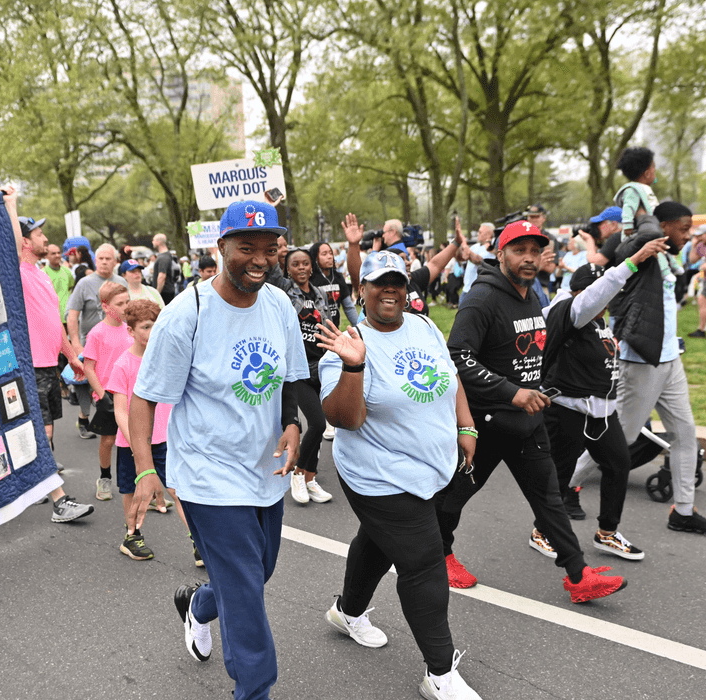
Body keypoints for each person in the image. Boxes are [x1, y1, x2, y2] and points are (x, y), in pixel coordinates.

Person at [127, 200, 306, 700]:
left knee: (258, 572)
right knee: (245, 594)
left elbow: (290, 377)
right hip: (208, 475)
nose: (259, 259)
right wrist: (144, 470)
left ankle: (200, 605)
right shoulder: (187, 314)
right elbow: (143, 398)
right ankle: (254, 689)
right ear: (221, 246)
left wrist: (292, 422)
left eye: (269, 249)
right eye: (246, 247)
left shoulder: (278, 305)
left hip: (264, 469)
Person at [316, 250, 483, 700]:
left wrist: (466, 425)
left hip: (430, 469)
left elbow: (450, 377)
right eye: (379, 282)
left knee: (378, 541)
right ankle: (439, 674)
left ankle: (347, 612)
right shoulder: (348, 343)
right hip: (379, 476)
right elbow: (345, 418)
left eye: (398, 282)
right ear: (362, 290)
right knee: (423, 562)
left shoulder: (424, 326)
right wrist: (354, 365)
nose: (390, 289)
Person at [441, 220, 627, 601]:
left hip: (528, 422)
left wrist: (539, 390)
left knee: (549, 499)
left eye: (534, 251)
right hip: (487, 423)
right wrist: (512, 393)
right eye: (518, 250)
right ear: (501, 254)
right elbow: (457, 357)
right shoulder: (481, 298)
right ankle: (439, 555)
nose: (528, 258)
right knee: (454, 495)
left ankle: (578, 576)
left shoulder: (530, 294)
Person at [541, 228, 671, 563]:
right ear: (580, 293)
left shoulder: (599, 322)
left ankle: (607, 533)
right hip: (567, 409)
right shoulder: (566, 313)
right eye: (600, 296)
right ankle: (542, 531)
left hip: (601, 412)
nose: (606, 302)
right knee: (560, 474)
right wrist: (633, 260)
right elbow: (595, 295)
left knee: (618, 464)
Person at [609, 201, 706, 536]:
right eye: (684, 228)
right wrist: (649, 230)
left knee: (685, 435)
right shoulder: (644, 250)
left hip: (670, 359)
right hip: (642, 361)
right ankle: (566, 488)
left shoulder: (667, 257)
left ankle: (684, 512)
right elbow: (624, 250)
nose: (689, 236)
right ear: (663, 228)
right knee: (621, 438)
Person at [2, 188, 95, 523]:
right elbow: (12, 244)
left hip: (48, 365)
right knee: (44, 434)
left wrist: (71, 356)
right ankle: (57, 500)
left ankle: (35, 483)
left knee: (44, 432)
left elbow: (53, 324)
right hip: (28, 366)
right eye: (39, 234)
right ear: (26, 242)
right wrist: (11, 205)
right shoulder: (18, 270)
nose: (45, 238)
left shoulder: (41, 274)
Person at [107, 299, 195, 562]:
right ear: (131, 331)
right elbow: (120, 411)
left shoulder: (167, 359)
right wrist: (136, 445)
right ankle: (132, 536)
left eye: (156, 325)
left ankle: (198, 541)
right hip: (131, 444)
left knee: (179, 491)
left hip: (165, 440)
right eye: (145, 327)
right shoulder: (123, 364)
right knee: (131, 491)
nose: (152, 331)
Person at [281, 248, 334, 505]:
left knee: (319, 424)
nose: (301, 268)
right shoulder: (284, 293)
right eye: (295, 264)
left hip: (320, 366)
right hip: (298, 369)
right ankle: (298, 472)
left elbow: (328, 324)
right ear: (287, 269)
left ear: (312, 267)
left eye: (305, 263)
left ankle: (310, 479)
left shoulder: (320, 293)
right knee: (318, 424)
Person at [66, 244, 127, 439]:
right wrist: (75, 343)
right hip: (89, 341)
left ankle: (115, 424)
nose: (104, 262)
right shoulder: (85, 283)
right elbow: (72, 315)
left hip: (115, 342)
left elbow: (127, 311)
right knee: (86, 382)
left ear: (115, 261)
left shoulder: (120, 282)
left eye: (108, 258)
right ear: (95, 260)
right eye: (100, 258)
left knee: (111, 383)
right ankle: (84, 418)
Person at [82, 281, 135, 504]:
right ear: (105, 306)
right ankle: (104, 478)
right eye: (119, 304)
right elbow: (88, 367)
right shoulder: (97, 333)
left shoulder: (131, 328)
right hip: (109, 394)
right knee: (109, 439)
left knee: (136, 439)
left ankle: (142, 486)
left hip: (132, 393)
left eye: (127, 301)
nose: (126, 307)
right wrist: (101, 394)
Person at [613, 147, 658, 237]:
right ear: (647, 174)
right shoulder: (632, 189)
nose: (655, 170)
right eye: (653, 167)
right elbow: (628, 207)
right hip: (637, 234)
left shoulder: (643, 189)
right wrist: (628, 225)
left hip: (648, 229)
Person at [461, 223, 495, 297]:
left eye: (480, 232)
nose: (477, 234)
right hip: (466, 288)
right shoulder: (475, 246)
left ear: (489, 235)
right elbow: (464, 257)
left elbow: (478, 260)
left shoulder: (491, 249)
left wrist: (464, 244)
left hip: (478, 291)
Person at [152, 234, 180, 303]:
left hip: (164, 293)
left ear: (158, 242)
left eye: (153, 240)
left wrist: (157, 294)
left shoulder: (163, 257)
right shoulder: (167, 255)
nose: (152, 242)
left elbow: (162, 276)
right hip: (167, 291)